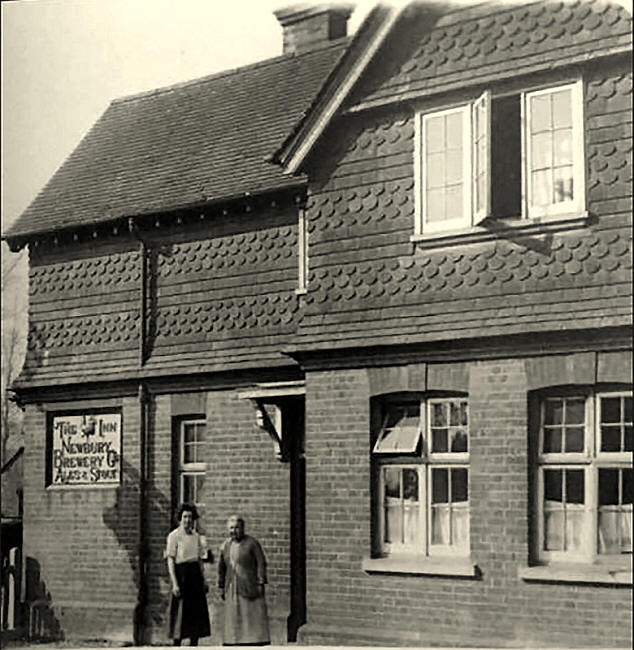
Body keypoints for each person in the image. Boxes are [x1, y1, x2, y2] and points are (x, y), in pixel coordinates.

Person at [217, 516, 270, 646]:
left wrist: (261, 581)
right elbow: (221, 567)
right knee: (233, 616)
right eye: (231, 528)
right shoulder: (225, 545)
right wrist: (221, 585)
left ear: (242, 528)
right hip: (231, 585)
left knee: (249, 615)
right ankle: (233, 641)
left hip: (249, 584)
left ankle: (252, 641)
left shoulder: (252, 543)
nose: (234, 531)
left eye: (237, 527)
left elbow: (261, 562)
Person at [166, 503, 211, 646]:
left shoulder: (196, 537)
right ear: (180, 518)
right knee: (180, 614)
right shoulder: (174, 536)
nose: (187, 520)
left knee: (196, 614)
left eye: (190, 517)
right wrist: (174, 583)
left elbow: (199, 560)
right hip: (181, 575)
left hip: (195, 576)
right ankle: (177, 644)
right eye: (185, 517)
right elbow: (170, 560)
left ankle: (194, 644)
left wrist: (203, 580)